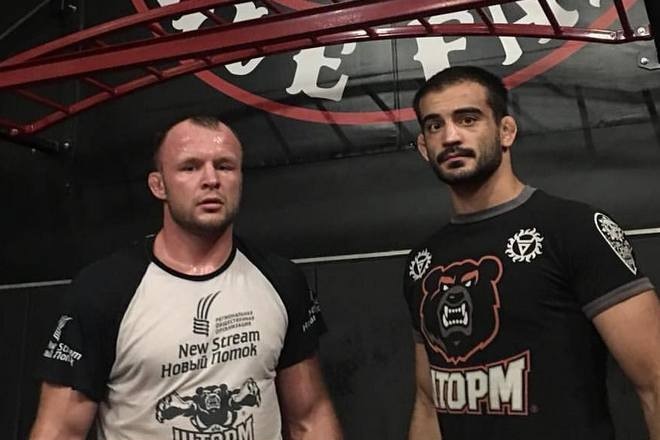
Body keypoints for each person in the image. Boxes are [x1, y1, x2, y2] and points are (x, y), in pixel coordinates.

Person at [30, 116, 343, 440]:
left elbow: (310, 417)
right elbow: (60, 430)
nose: (211, 179)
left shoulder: (281, 280)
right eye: (190, 167)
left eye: (224, 166)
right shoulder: (102, 291)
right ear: (158, 185)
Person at [404, 66, 660, 440]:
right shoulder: (422, 262)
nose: (451, 136)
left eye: (468, 119)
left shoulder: (574, 229)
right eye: (434, 125)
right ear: (424, 147)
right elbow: (430, 404)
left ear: (506, 131)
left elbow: (655, 380)